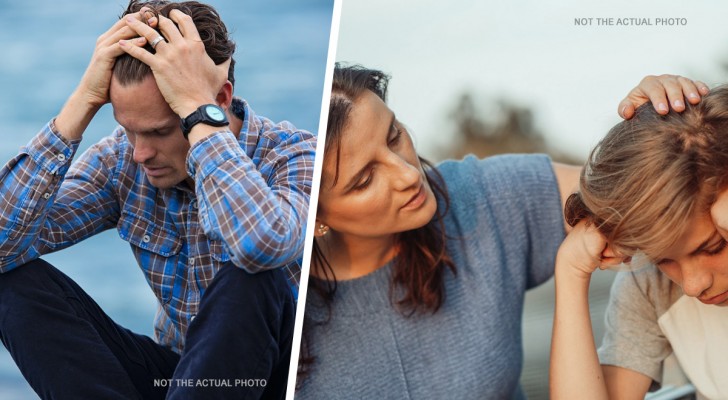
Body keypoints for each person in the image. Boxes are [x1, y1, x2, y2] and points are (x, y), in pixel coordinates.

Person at [293, 64, 705, 398]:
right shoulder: (277, 297)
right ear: (317, 217)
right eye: (364, 179)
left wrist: (666, 127)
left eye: (394, 136)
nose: (407, 174)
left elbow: (654, 189)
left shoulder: (484, 197)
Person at [0, 1, 315, 399]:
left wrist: (199, 116)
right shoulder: (122, 162)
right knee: (11, 280)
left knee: (249, 275)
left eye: (161, 131)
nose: (140, 153)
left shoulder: (294, 155)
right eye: (130, 131)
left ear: (219, 99)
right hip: (180, 380)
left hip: (277, 382)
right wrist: (83, 100)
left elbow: (260, 244)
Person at [550, 85, 728, 399]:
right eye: (663, 259)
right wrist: (571, 271)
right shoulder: (651, 285)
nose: (692, 285)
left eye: (713, 247)